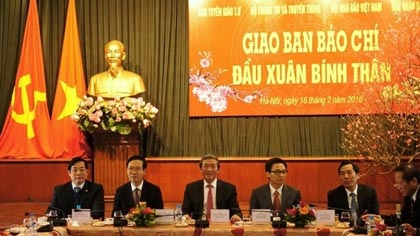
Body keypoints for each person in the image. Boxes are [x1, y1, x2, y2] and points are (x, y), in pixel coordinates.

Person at [181, 154, 242, 222]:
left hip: (221, 225)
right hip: (198, 225)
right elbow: (185, 210)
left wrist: (236, 216)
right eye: (206, 166)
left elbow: (236, 211)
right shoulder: (191, 188)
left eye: (213, 166)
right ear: (201, 169)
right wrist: (185, 216)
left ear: (218, 169)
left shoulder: (229, 189)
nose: (209, 170)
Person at [394, 163, 420, 227]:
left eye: (400, 183)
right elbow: (400, 218)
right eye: (396, 184)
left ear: (414, 181)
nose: (398, 187)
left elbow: (413, 223)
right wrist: (379, 218)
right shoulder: (408, 197)